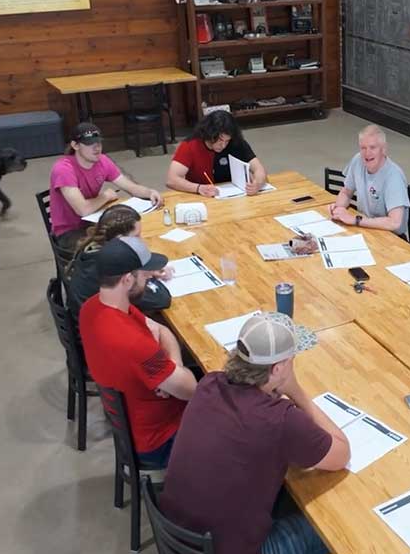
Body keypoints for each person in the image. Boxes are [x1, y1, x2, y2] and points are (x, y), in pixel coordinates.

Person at [160, 312, 350, 554]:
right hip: (230, 549)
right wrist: (296, 391)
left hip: (177, 536)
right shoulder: (281, 419)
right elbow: (341, 454)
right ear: (279, 368)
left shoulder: (210, 383)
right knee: (329, 530)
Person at [79, 239, 196, 467]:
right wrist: (173, 372)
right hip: (161, 440)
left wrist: (171, 368)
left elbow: (160, 330)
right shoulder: (134, 345)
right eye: (144, 276)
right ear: (127, 279)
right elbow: (191, 391)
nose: (150, 278)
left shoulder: (94, 307)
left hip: (133, 422)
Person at [49, 122, 163, 253]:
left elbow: (130, 186)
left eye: (98, 142)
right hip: (70, 232)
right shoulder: (63, 169)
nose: (96, 147)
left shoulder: (102, 161)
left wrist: (149, 192)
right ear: (75, 145)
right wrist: (105, 196)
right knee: (121, 249)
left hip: (95, 223)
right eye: (89, 144)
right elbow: (82, 210)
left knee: (136, 233)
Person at [63, 205, 172, 320]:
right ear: (120, 238)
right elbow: (160, 299)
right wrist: (145, 273)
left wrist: (145, 270)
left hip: (94, 319)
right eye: (136, 236)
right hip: (103, 326)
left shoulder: (92, 251)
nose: (141, 241)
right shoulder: (112, 266)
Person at [328, 124, 410, 235]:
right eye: (363, 148)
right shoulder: (358, 160)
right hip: (366, 227)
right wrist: (338, 209)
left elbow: (394, 223)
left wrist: (355, 220)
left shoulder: (394, 177)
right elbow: (346, 192)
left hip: (391, 237)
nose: (367, 153)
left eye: (372, 147)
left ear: (384, 149)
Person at [166, 111, 268, 197]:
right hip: (201, 196)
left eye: (227, 141)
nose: (223, 145)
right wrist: (198, 188)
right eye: (219, 140)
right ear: (209, 133)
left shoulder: (236, 142)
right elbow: (171, 180)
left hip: (234, 194)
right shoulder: (190, 145)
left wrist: (257, 184)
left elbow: (258, 168)